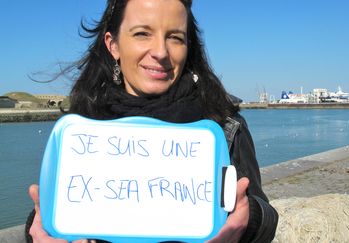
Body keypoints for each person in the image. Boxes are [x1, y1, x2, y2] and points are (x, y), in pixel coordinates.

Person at [25, 0, 278, 242]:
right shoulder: (81, 129)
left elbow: (265, 216)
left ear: (188, 46)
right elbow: (59, 208)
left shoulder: (224, 125)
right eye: (142, 34)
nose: (160, 52)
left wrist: (249, 219)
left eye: (175, 37)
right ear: (113, 45)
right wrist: (37, 227)